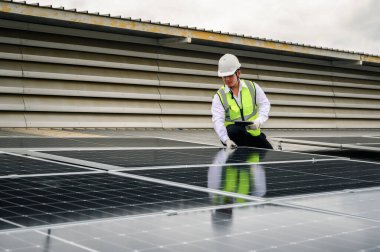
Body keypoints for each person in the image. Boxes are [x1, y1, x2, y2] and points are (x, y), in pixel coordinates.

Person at [211, 53, 273, 149]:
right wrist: (226, 140)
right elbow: (217, 120)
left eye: (230, 75)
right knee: (233, 130)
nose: (227, 79)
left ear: (238, 73)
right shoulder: (219, 96)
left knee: (269, 152)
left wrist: (258, 121)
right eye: (224, 77)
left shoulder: (252, 87)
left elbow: (265, 104)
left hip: (254, 135)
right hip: (235, 137)